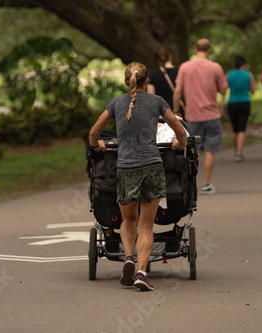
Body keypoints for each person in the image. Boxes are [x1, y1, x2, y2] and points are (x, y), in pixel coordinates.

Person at [89, 62, 187, 291]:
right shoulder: (157, 102)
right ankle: (142, 272)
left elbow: (94, 132)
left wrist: (98, 145)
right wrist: (178, 144)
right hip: (152, 166)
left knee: (128, 220)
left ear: (126, 82)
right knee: (146, 226)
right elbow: (179, 129)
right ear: (147, 82)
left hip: (125, 169)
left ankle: (129, 259)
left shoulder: (116, 103)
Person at [173, 38, 228, 194]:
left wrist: (176, 109)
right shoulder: (216, 67)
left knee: (193, 149)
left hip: (193, 115)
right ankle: (206, 183)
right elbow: (223, 90)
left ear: (196, 50)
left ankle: (192, 181)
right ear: (209, 50)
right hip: (212, 115)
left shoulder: (185, 67)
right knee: (210, 150)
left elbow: (178, 90)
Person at [227, 55, 256, 162]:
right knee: (242, 128)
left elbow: (226, 87)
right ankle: (239, 153)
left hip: (232, 102)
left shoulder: (229, 74)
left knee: (235, 129)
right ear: (244, 64)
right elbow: (252, 90)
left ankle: (236, 151)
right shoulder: (249, 75)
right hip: (244, 102)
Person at [147, 48, 185, 117]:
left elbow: (151, 97)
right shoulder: (180, 72)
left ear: (157, 61)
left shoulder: (153, 75)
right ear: (170, 56)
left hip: (162, 113)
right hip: (179, 112)